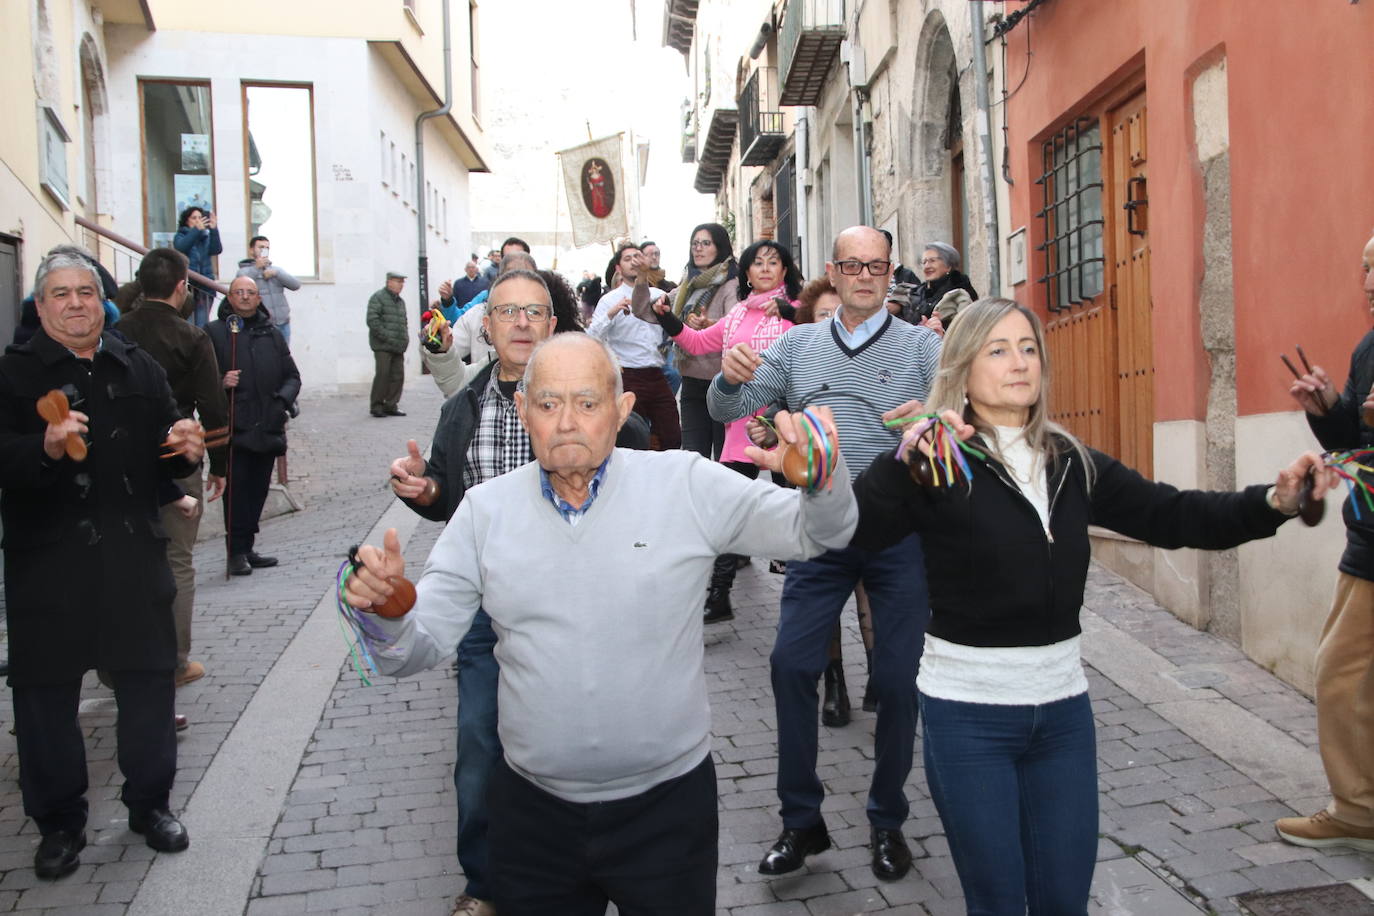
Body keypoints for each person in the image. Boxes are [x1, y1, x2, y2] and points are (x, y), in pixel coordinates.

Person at [345, 332, 857, 913]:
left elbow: (821, 532)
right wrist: (389, 613)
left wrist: (821, 480)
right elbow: (418, 646)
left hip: (668, 812)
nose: (567, 422)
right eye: (548, 403)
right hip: (532, 817)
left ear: (622, 411)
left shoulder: (685, 484)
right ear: (522, 411)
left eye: (587, 403)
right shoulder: (485, 511)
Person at [850, 297, 1328, 913]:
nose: (1019, 362)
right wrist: (901, 469)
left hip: (1061, 718)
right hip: (969, 716)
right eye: (997, 350)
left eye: (1028, 348)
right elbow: (857, 532)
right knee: (997, 902)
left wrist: (1274, 503)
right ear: (962, 368)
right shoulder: (939, 463)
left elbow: (1173, 513)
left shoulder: (1071, 462)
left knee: (1063, 902)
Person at [389, 271, 646, 916]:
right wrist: (425, 493)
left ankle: (599, 864)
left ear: (553, 321)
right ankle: (484, 883)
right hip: (487, 608)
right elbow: (448, 496)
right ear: (489, 325)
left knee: (587, 737)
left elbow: (639, 466)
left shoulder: (590, 398)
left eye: (535, 311)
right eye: (508, 312)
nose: (523, 323)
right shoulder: (464, 407)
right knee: (479, 745)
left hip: (580, 599)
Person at [708, 225, 941, 882]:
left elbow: (955, 425)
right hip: (819, 535)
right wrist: (728, 382)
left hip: (899, 541)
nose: (864, 275)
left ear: (889, 273)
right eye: (852, 265)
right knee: (789, 665)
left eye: (877, 265)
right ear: (833, 273)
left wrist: (940, 418)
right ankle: (801, 821)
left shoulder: (922, 348)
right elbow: (730, 403)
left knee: (899, 682)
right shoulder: (799, 346)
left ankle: (887, 817)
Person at [0, 251, 206, 878]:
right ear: (41, 307)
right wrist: (42, 446)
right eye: (59, 294)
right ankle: (60, 822)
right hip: (48, 564)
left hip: (131, 556)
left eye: (85, 292)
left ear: (102, 302)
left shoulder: (135, 364)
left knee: (148, 685)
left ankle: (151, 806)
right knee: (44, 702)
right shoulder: (13, 374)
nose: (74, 303)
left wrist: (184, 450)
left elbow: (166, 450)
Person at [1279, 229, 1374, 853]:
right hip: (1368, 545)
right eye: (1365, 266)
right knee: (1344, 679)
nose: (1368, 282)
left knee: (1340, 677)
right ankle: (1358, 807)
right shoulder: (1369, 346)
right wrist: (1329, 406)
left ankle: (1359, 811)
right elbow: (1352, 442)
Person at [655, 239, 801, 623]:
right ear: (748, 274)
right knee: (727, 507)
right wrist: (667, 318)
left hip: (787, 426)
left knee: (800, 514)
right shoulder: (737, 316)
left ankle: (806, 602)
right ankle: (719, 596)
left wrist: (789, 310)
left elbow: (822, 329)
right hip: (741, 427)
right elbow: (699, 342)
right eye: (758, 263)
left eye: (774, 262)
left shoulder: (799, 310)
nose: (766, 269)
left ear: (785, 270)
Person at [117, 247, 229, 688]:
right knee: (178, 559)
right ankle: (176, 660)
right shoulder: (192, 337)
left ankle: (121, 657)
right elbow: (212, 406)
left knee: (127, 556)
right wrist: (219, 464)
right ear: (182, 286)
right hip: (175, 455)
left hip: (120, 457)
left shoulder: (114, 331)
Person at [206, 277, 301, 577]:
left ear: (259, 298)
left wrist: (281, 402)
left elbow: (292, 376)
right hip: (235, 427)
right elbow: (198, 380)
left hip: (269, 423)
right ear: (230, 298)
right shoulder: (215, 333)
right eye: (239, 293)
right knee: (236, 492)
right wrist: (221, 381)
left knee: (259, 489)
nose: (245, 297)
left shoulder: (271, 333)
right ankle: (234, 552)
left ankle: (247, 547)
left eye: (250, 293)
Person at [587, 244, 680, 449]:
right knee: (630, 438)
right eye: (628, 259)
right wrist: (611, 314)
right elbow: (592, 339)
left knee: (671, 434)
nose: (634, 262)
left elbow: (673, 331)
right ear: (618, 269)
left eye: (637, 257)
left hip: (657, 372)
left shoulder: (657, 295)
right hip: (626, 374)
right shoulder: (609, 300)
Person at [669, 223, 737, 462]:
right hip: (692, 383)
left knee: (723, 463)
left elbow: (736, 324)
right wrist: (640, 280)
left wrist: (710, 324)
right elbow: (655, 311)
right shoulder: (689, 284)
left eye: (705, 243)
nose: (698, 249)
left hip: (722, 384)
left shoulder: (732, 283)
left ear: (719, 247)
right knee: (692, 459)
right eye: (695, 243)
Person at [235, 236, 301, 344]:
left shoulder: (276, 270)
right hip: (260, 324)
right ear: (251, 250)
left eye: (266, 248)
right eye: (260, 247)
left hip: (282, 322)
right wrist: (256, 269)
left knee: (283, 358)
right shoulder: (244, 271)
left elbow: (296, 285)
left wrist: (277, 274)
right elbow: (241, 284)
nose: (263, 250)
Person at [901, 241, 978, 329]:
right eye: (924, 262)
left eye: (932, 261)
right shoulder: (917, 292)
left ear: (948, 265)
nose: (927, 266)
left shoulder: (960, 292)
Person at [367, 271, 409, 418]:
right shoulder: (378, 298)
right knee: (383, 375)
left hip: (398, 345)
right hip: (383, 346)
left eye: (402, 282)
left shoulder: (400, 301)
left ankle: (391, 405)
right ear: (389, 282)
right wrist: (387, 337)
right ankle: (376, 405)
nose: (401, 285)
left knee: (398, 376)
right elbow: (372, 321)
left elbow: (403, 322)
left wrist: (405, 339)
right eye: (398, 281)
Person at [173, 206, 222, 328]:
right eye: (194, 218)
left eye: (200, 217)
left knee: (202, 324)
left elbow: (216, 249)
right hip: (187, 288)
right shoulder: (180, 235)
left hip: (205, 289)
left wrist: (214, 229)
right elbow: (181, 247)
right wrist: (195, 230)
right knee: (187, 324)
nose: (198, 220)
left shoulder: (206, 237)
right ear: (186, 220)